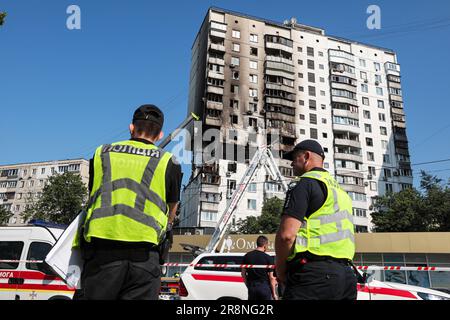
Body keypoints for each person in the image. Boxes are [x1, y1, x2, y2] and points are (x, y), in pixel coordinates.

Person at [73, 104, 183, 300]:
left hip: (101, 252)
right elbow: (172, 207)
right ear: (160, 135)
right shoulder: (169, 161)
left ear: (131, 128)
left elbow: (94, 193)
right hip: (145, 256)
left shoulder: (102, 153)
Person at [275, 139, 357, 300]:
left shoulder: (304, 184)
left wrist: (281, 270)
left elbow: (287, 236)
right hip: (347, 277)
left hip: (313, 276)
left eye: (294, 158)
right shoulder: (341, 193)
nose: (291, 163)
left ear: (306, 156)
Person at [241, 236, 278, 300]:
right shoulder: (268, 258)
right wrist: (274, 293)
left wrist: (248, 285)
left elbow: (243, 274)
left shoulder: (247, 256)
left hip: (252, 287)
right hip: (264, 287)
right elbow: (271, 277)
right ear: (265, 245)